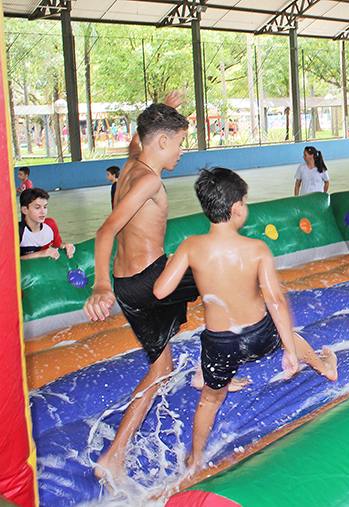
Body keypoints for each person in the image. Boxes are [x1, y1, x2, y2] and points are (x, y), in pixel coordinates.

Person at [153, 167, 338, 473]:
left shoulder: (191, 247)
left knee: (210, 400)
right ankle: (323, 366)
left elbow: (161, 291)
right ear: (237, 207)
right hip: (259, 335)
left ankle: (194, 457)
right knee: (287, 334)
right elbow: (276, 301)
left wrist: (195, 274)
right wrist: (290, 352)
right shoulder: (256, 249)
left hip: (220, 343)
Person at [83, 91, 201, 485]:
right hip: (152, 281)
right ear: (162, 141)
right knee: (220, 267)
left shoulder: (134, 160)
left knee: (162, 368)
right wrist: (99, 285)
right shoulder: (148, 180)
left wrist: (161, 109)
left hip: (129, 286)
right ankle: (217, 369)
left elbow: (140, 137)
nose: (183, 151)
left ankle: (114, 455)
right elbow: (105, 230)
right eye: (180, 142)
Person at [18, 187, 75, 260]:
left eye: (45, 207)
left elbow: (56, 247)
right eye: (37, 207)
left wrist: (64, 246)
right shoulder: (17, 232)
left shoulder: (50, 224)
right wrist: (39, 254)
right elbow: (9, 262)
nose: (43, 212)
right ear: (25, 210)